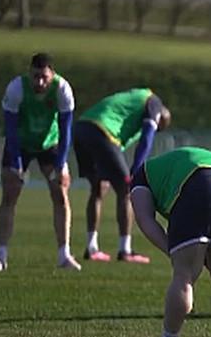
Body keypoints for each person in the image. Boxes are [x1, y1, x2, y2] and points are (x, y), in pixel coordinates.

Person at [131, 147, 211, 337]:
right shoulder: (163, 166)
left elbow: (145, 220)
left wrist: (172, 252)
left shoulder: (139, 177)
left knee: (184, 275)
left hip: (196, 179)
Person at [0, 53, 80, 272]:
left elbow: (66, 129)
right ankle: (1, 255)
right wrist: (16, 161)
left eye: (44, 77)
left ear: (53, 75)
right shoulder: (16, 89)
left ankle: (64, 254)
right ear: (29, 73)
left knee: (60, 192)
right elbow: (10, 128)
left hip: (49, 143)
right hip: (20, 142)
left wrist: (60, 163)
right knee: (10, 192)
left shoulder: (62, 90)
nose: (40, 82)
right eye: (36, 76)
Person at [73, 88, 172, 264]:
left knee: (98, 188)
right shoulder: (153, 102)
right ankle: (125, 250)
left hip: (82, 128)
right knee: (126, 190)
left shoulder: (134, 100)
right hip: (103, 131)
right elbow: (147, 138)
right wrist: (136, 169)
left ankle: (91, 247)